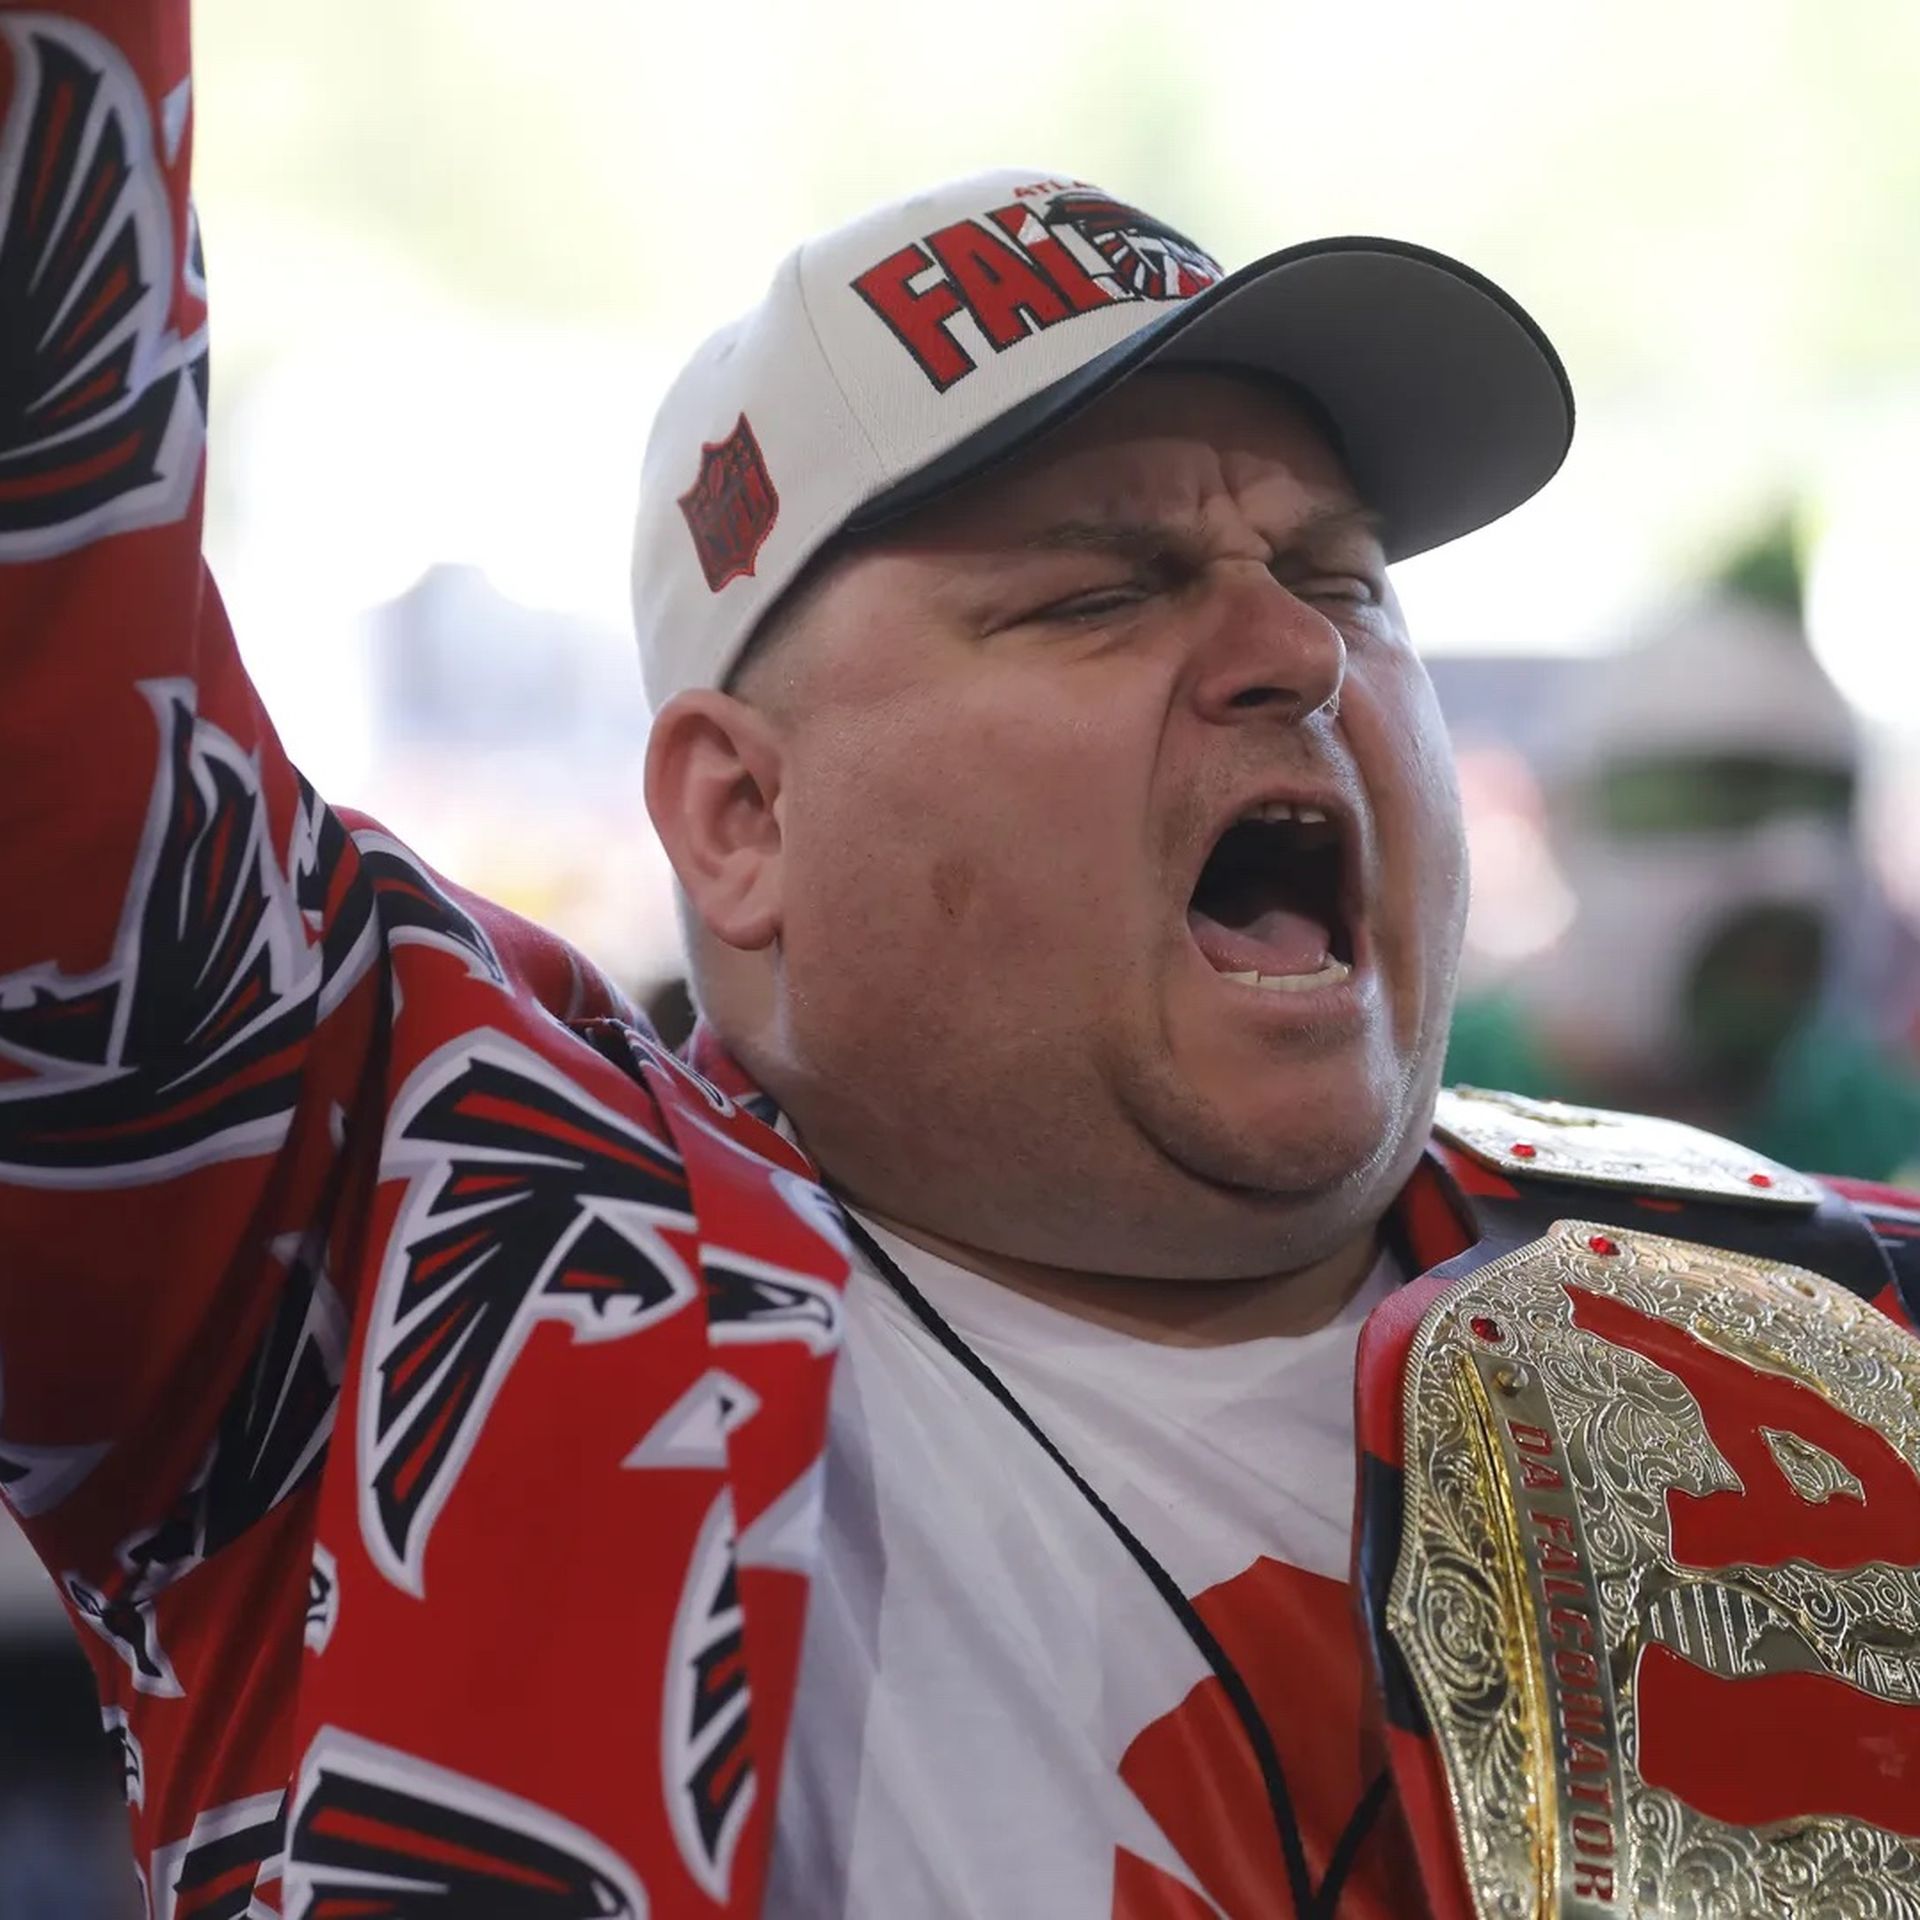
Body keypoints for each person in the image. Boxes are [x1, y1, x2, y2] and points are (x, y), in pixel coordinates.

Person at [5, 6, 1920, 1917]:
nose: (1300, 654)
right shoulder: (383, 1261)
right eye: (1102, 590)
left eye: (1343, 578)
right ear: (741, 824)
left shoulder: (1829, 1329)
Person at [1446, 516, 1920, 1181]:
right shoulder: (1424, 1109)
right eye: (1726, 796)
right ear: (1570, 815)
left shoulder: (1892, 1142)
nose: (1799, 871)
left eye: (1827, 808)